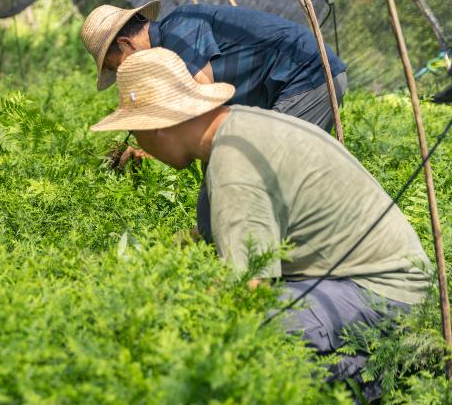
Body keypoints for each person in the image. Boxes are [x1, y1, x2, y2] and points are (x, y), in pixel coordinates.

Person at [90, 47, 430, 398]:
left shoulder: (234, 168)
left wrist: (171, 317)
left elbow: (247, 295)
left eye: (135, 132)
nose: (139, 145)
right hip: (380, 285)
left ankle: (373, 375)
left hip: (387, 300)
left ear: (158, 127)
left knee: (238, 335)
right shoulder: (242, 125)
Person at [81, 1, 348, 132]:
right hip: (292, 83)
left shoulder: (179, 30)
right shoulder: (172, 43)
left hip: (308, 76)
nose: (127, 73)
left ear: (127, 43)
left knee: (270, 166)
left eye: (120, 66)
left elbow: (204, 102)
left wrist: (155, 140)